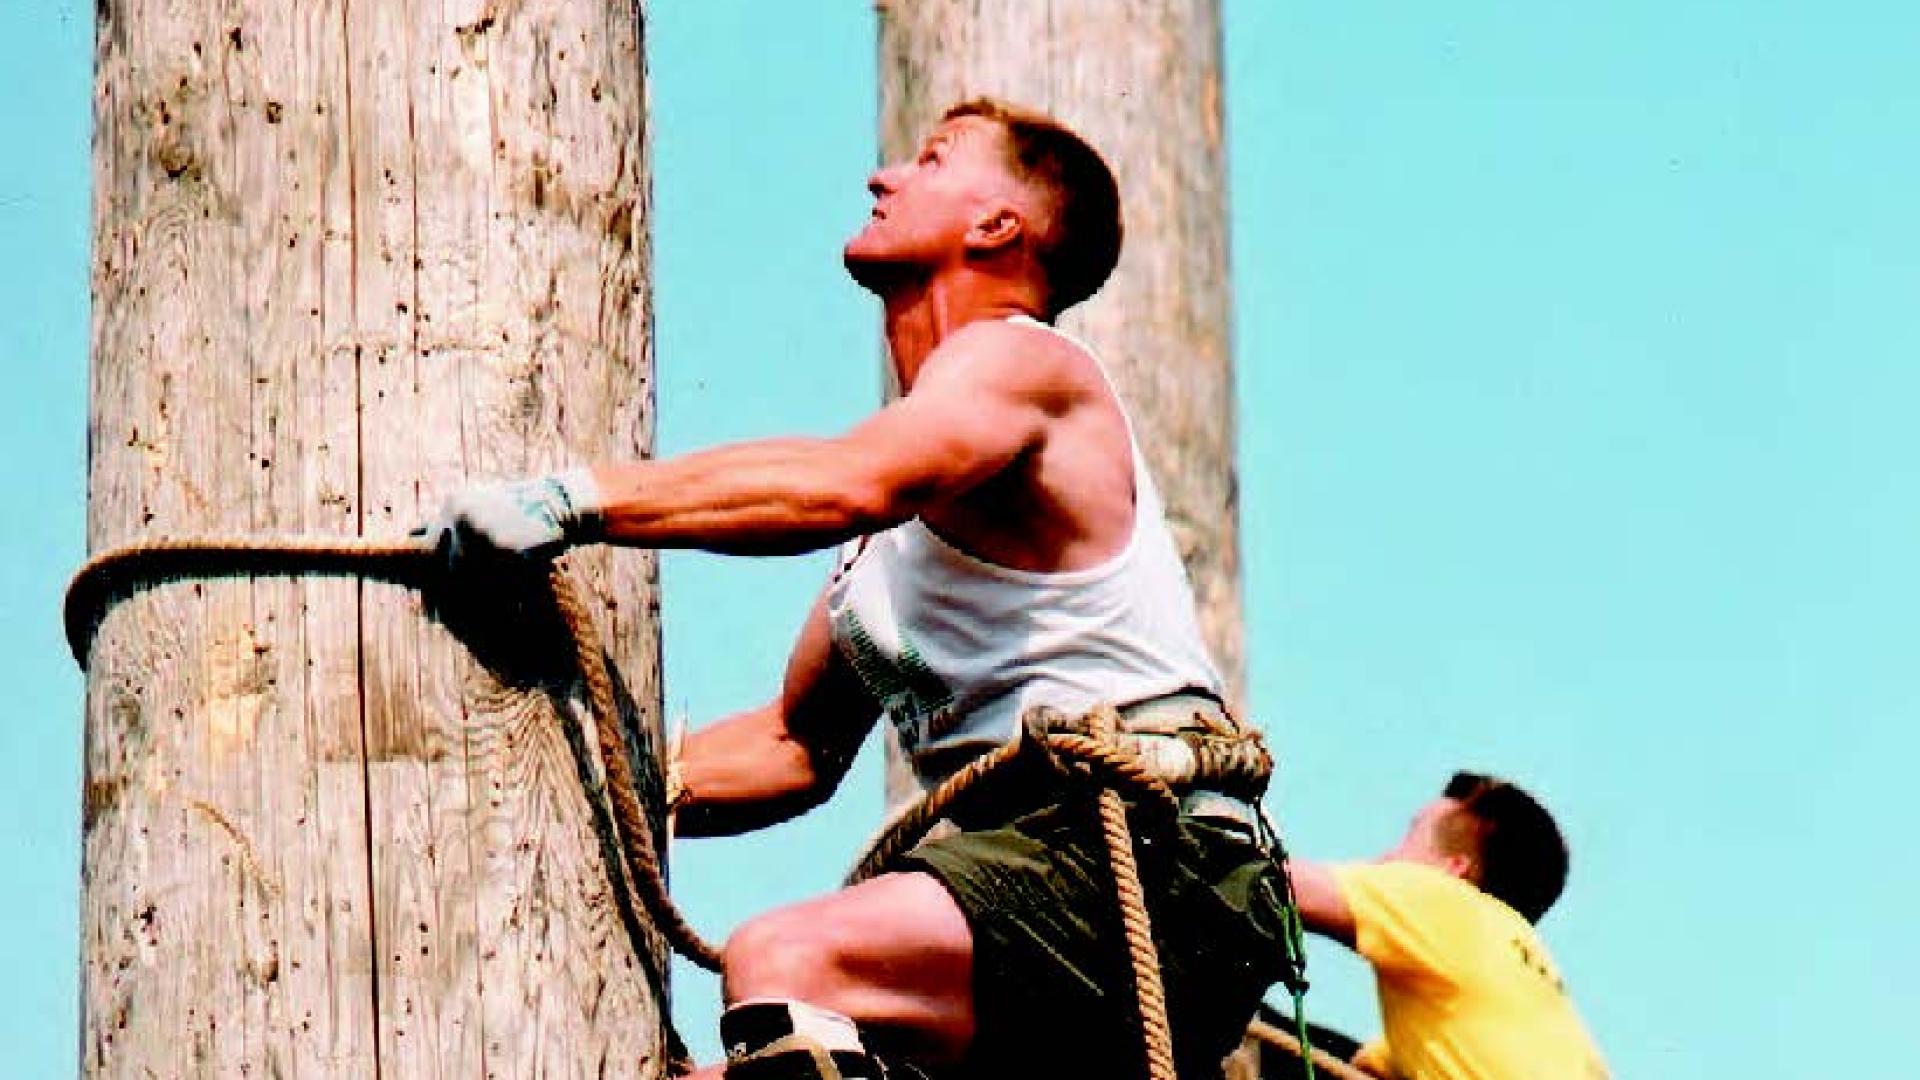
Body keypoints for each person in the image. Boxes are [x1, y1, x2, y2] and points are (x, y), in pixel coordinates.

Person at [429, 98, 1293, 1079]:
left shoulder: (1023, 365)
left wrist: (569, 501)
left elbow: (846, 483)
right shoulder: (897, 539)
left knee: (786, 960)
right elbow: (793, 746)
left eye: (931, 161)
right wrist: (582, 777)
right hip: (1042, 887)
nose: (885, 178)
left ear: (997, 227)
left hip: (1154, 862)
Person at [1285, 772, 1610, 1080]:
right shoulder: (1530, 983)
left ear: (1453, 869)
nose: (1385, 859)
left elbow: (1275, 882)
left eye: (1409, 839)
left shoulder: (1447, 903)